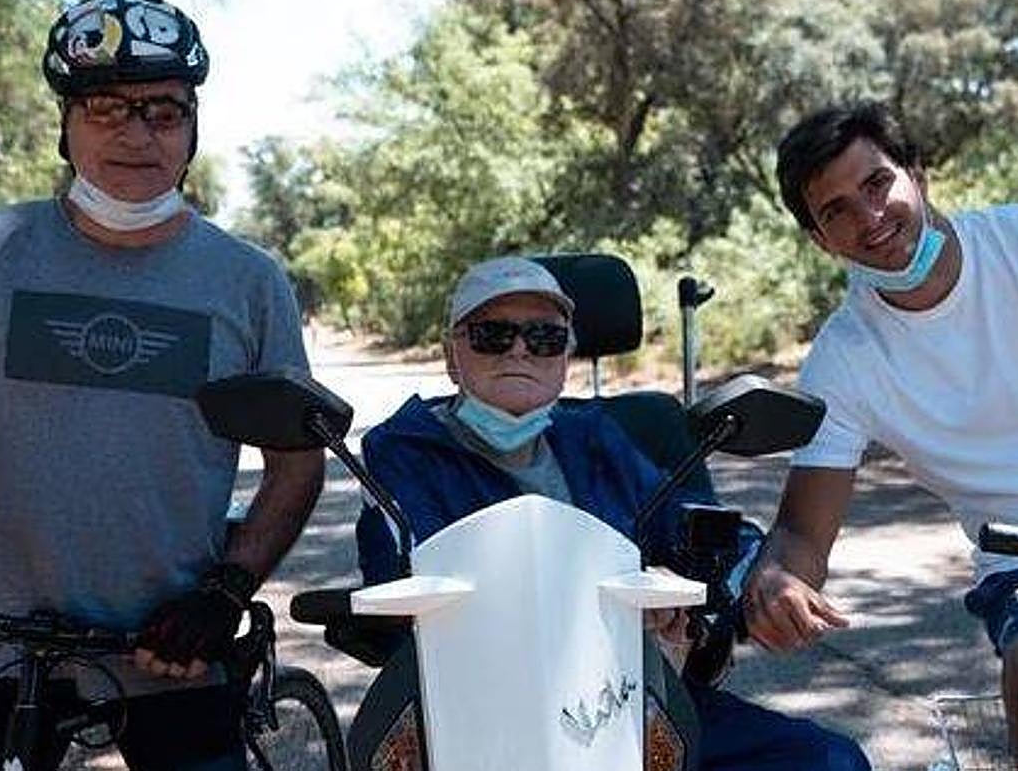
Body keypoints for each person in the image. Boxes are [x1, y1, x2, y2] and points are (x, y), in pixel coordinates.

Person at [0, 0, 324, 770]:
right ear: (64, 123)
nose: (138, 134)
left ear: (194, 128)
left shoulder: (249, 281)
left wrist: (228, 591)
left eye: (165, 111)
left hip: (172, 655)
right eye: (106, 108)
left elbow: (296, 464)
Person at [355, 255, 871, 771]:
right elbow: (400, 576)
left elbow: (680, 520)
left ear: (566, 356)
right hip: (472, 712)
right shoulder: (399, 449)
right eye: (493, 334)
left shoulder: (594, 436)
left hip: (628, 696)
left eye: (544, 337)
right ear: (452, 355)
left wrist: (763, 575)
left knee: (829, 760)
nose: (519, 349)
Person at [743, 100, 1018, 770]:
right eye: (837, 211)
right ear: (820, 241)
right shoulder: (845, 359)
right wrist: (778, 581)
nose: (870, 217)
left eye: (877, 183)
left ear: (918, 173)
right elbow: (801, 533)